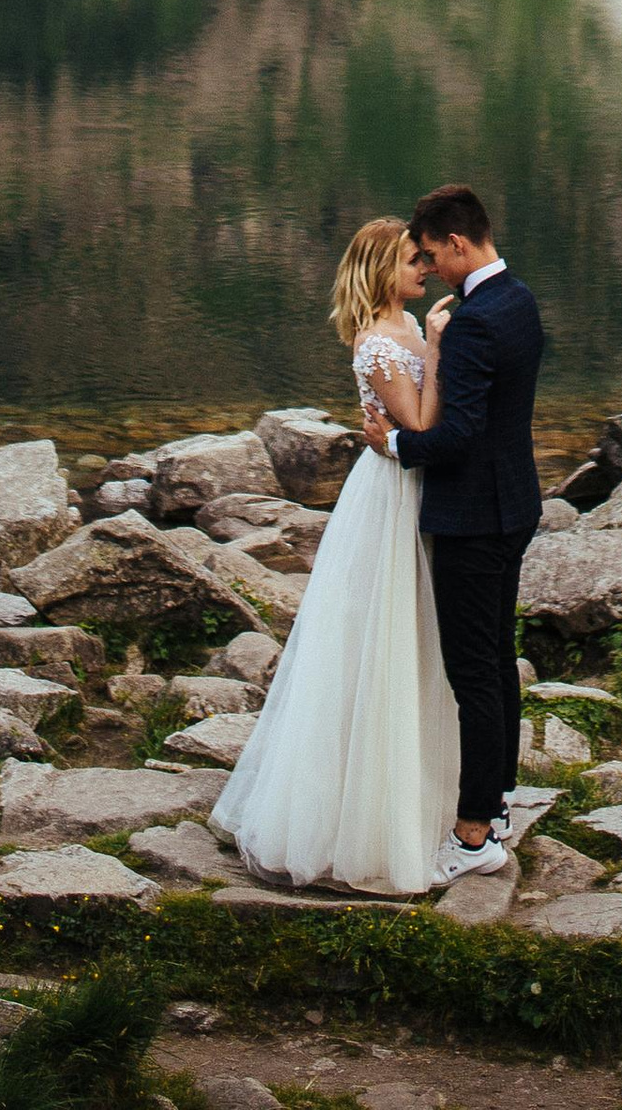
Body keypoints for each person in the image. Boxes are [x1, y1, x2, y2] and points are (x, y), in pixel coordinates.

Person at [210, 214, 461, 893]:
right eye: (413, 259)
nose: (426, 267)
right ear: (382, 267)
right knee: (372, 638)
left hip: (408, 488)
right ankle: (349, 819)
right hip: (390, 495)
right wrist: (439, 347)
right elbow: (418, 426)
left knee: (410, 639)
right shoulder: (381, 342)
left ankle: (409, 799)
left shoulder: (400, 328)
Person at [360, 181, 545, 875]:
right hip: (514, 503)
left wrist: (396, 448)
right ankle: (496, 800)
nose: (430, 265)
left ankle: (474, 836)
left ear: (459, 243)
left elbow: (459, 435)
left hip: (473, 517)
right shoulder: (515, 299)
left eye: (434, 252)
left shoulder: (474, 320)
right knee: (497, 661)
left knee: (474, 675)